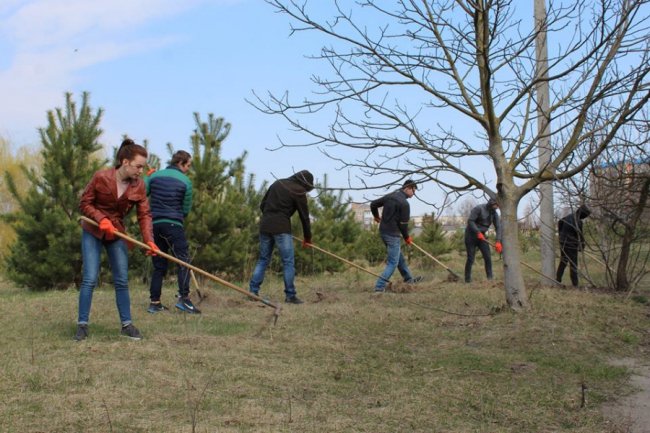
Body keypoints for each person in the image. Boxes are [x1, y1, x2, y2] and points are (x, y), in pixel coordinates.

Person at [75, 139, 159, 341]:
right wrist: (100, 218)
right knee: (90, 278)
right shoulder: (101, 177)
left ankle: (126, 325)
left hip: (116, 233)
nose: (140, 171)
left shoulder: (138, 187)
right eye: (138, 166)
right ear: (125, 162)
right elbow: (84, 203)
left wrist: (149, 240)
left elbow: (144, 215)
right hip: (93, 231)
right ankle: (82, 325)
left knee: (121, 280)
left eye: (143, 167)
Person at [145, 150, 200, 314]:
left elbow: (142, 194)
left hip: (154, 224)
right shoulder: (186, 181)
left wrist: (148, 178)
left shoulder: (153, 176)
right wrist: (176, 217)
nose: (188, 169)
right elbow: (186, 209)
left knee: (159, 266)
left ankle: (155, 303)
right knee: (183, 261)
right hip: (174, 224)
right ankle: (184, 299)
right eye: (188, 165)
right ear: (181, 163)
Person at [248, 170, 314, 304]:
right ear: (305, 183)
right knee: (288, 262)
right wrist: (307, 238)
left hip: (265, 225)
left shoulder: (277, 183)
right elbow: (304, 217)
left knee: (263, 259)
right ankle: (290, 296)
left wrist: (270, 217)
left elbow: (262, 205)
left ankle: (253, 292)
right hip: (282, 228)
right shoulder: (299, 190)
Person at [370, 179, 422, 292]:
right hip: (392, 235)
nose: (414, 193)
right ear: (407, 188)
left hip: (383, 232)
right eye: (413, 190)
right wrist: (407, 237)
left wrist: (376, 216)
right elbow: (403, 226)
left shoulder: (390, 196)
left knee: (399, 259)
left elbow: (373, 204)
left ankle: (408, 280)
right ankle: (379, 287)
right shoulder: (404, 204)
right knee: (393, 263)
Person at [464, 198, 502, 283]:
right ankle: (467, 280)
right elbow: (470, 221)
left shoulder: (494, 214)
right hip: (471, 236)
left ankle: (490, 278)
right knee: (471, 258)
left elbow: (498, 227)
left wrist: (498, 241)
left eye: (498, 206)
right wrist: (477, 232)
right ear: (491, 204)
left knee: (487, 257)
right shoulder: (478, 208)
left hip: (482, 237)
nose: (497, 207)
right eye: (496, 205)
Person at [556, 204, 591, 287]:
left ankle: (558, 279)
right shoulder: (578, 222)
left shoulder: (568, 217)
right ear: (583, 214)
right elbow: (580, 235)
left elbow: (559, 222)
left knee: (563, 262)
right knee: (573, 264)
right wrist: (582, 246)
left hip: (563, 243)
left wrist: (561, 235)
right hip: (571, 245)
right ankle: (575, 284)